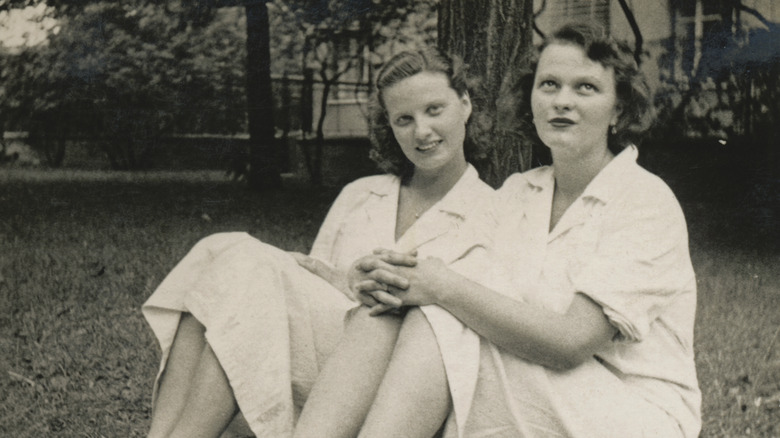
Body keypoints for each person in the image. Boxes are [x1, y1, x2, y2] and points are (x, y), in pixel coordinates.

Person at [333, 22, 701, 437]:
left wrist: (440, 287)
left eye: (585, 88)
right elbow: (436, 272)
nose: (562, 101)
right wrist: (380, 277)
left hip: (632, 411)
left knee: (442, 318)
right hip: (541, 385)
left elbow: (570, 343)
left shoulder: (644, 201)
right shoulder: (517, 193)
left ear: (618, 109)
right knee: (389, 313)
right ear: (531, 100)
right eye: (548, 85)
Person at [142, 48, 496, 438]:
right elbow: (307, 285)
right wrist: (344, 279)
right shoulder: (362, 193)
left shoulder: (492, 213)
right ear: (391, 128)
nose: (422, 131)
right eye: (404, 119)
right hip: (314, 363)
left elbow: (459, 328)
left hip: (392, 387)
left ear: (464, 105)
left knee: (245, 264)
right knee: (226, 252)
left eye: (434, 110)